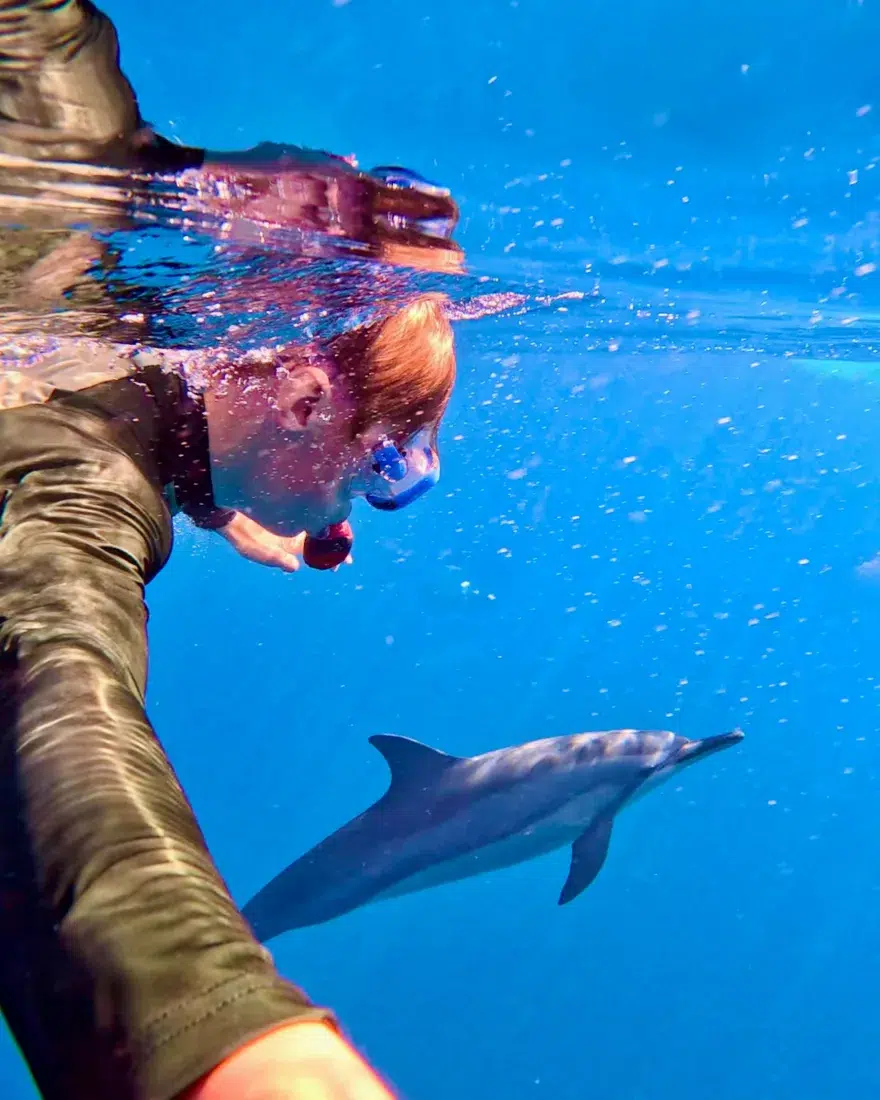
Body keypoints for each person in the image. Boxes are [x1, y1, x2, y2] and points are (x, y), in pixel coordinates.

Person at [0, 2, 459, 1098]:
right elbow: (59, 692)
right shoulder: (80, 479)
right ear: (301, 397)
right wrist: (217, 1029)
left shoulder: (95, 211)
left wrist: (217, 488)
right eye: (382, 460)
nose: (365, 498)